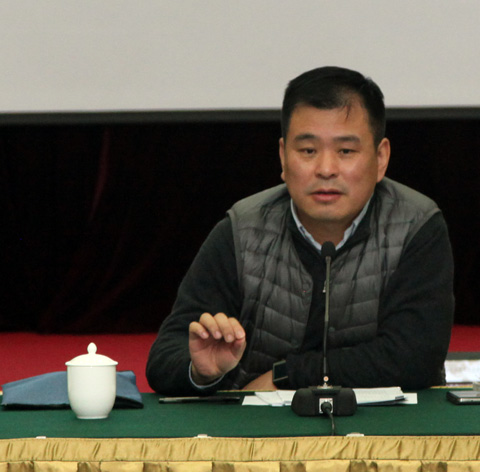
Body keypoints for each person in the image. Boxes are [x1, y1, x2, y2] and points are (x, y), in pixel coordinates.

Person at [146, 66, 454, 395]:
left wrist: (286, 377)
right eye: (308, 151)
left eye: (345, 151)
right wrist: (201, 372)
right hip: (256, 426)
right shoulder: (243, 229)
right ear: (283, 156)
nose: (326, 169)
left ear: (380, 158)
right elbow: (166, 356)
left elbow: (414, 357)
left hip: (386, 426)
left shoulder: (416, 225)